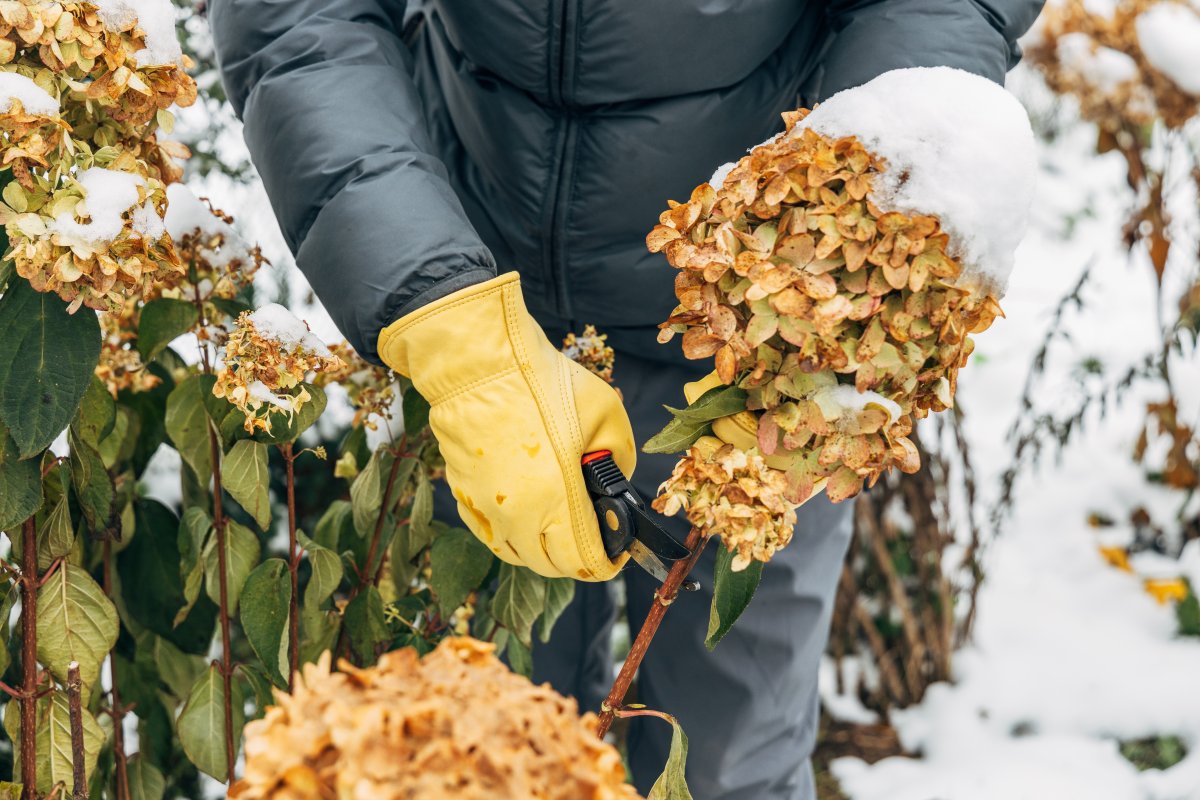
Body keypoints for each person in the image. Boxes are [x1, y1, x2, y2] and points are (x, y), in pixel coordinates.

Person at [209, 2, 1043, 796]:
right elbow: (297, 18)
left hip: (749, 338)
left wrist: (840, 268)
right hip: (470, 272)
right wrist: (450, 327)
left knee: (727, 765)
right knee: (468, 739)